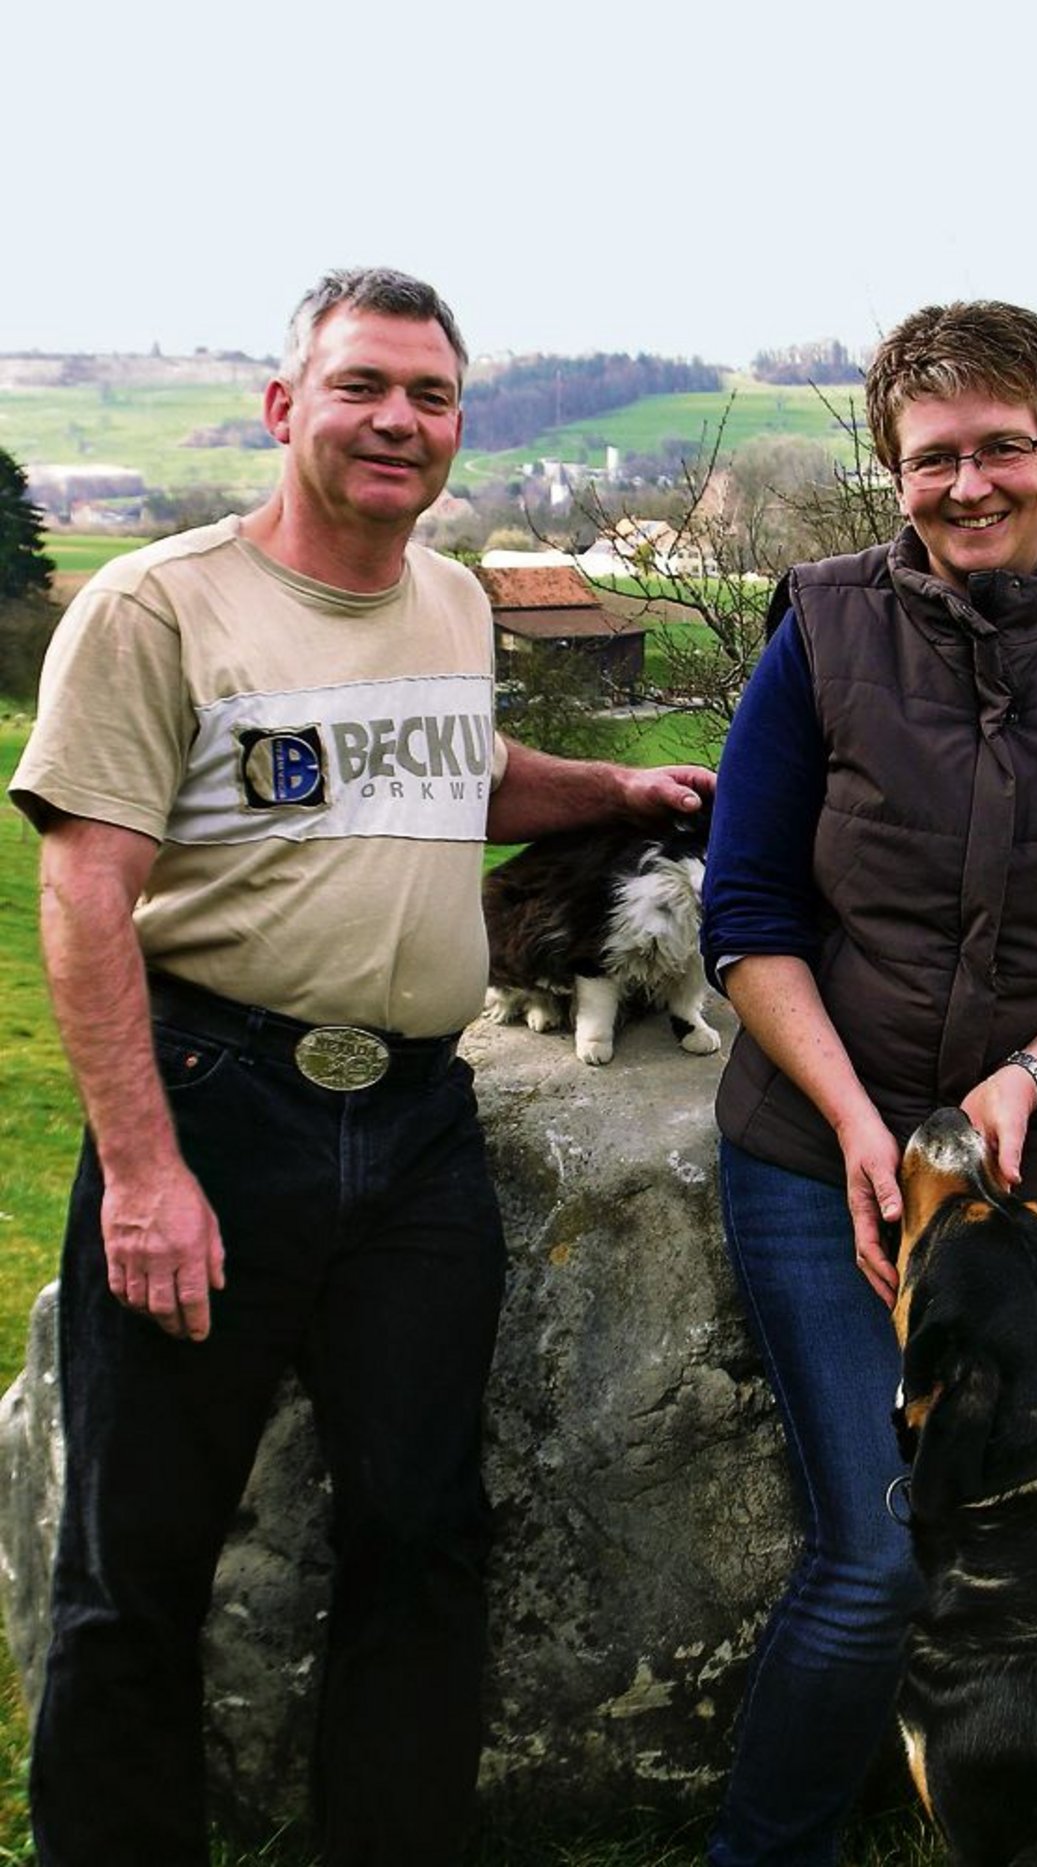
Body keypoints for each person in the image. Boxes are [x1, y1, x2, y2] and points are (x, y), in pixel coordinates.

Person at [9, 266, 713, 1867]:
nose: (400, 420)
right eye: (362, 386)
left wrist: (604, 779)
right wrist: (141, 1170)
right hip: (217, 1108)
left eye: (432, 396)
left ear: (460, 425)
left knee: (424, 1537)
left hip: (411, 1128)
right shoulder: (156, 608)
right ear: (285, 407)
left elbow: (460, 762)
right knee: (140, 1563)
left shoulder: (454, 599)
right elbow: (85, 896)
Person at [699, 299, 1037, 1865]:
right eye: (934, 457)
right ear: (895, 475)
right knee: (877, 1558)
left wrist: (1028, 1072)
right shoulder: (819, 629)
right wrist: (865, 1130)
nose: (970, 484)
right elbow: (748, 916)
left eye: (1004, 447)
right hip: (820, 1157)